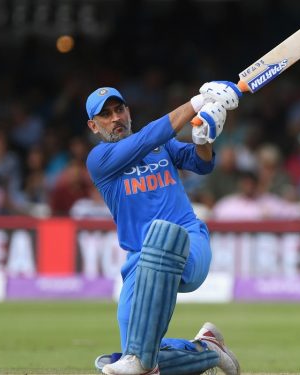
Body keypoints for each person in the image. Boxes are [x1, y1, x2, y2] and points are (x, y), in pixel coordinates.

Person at [84, 82, 242, 375]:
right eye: (106, 115)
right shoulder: (100, 160)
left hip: (187, 239)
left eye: (119, 109)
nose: (116, 118)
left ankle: (146, 358)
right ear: (94, 126)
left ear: (128, 111)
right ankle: (207, 349)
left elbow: (201, 164)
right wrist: (198, 101)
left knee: (137, 356)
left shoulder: (162, 145)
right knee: (138, 356)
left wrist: (204, 137)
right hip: (139, 262)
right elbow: (146, 139)